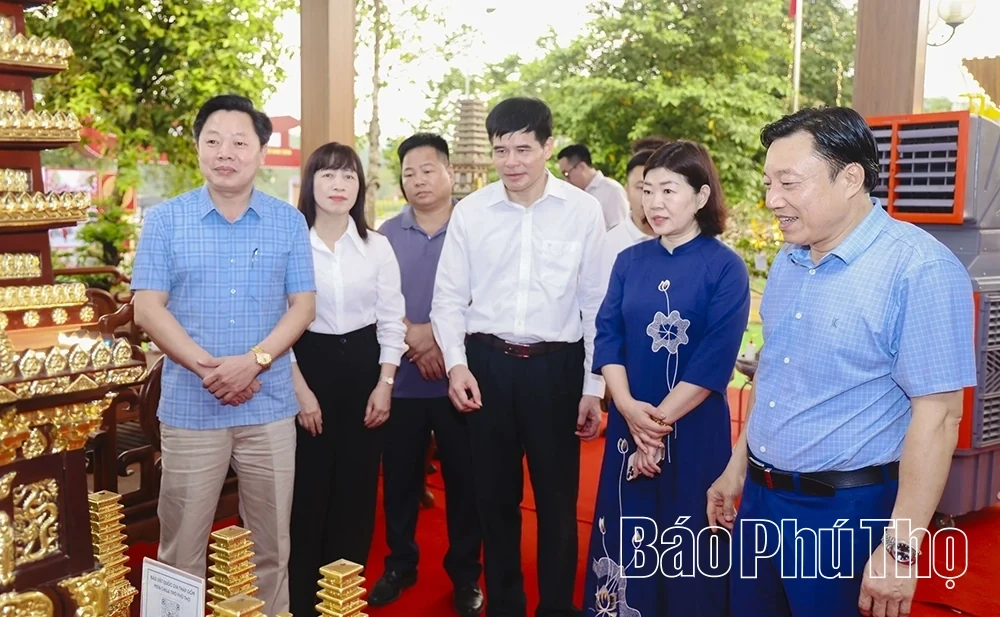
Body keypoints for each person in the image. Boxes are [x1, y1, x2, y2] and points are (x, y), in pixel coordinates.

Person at [706, 107, 977, 617]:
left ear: (851, 177)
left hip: (846, 514)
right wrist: (737, 467)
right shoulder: (789, 261)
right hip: (761, 504)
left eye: (789, 183)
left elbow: (940, 418)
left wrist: (901, 551)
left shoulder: (919, 268)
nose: (772, 200)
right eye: (768, 182)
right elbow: (775, 377)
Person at [131, 94, 316, 617]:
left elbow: (302, 308)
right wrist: (213, 370)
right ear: (197, 149)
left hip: (270, 403)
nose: (225, 152)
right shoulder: (166, 220)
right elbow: (148, 309)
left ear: (261, 151)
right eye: (213, 140)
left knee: (272, 544)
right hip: (192, 407)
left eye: (240, 141)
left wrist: (252, 362)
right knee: (181, 545)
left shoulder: (287, 222)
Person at [431, 96, 606, 617]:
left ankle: (556, 607)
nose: (512, 161)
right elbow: (447, 298)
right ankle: (505, 605)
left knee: (556, 505)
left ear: (548, 147)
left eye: (524, 149)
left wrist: (592, 387)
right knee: (495, 501)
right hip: (486, 367)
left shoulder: (583, 211)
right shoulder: (472, 211)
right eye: (501, 149)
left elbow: (595, 303)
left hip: (557, 368)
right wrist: (456, 363)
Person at [584, 140, 750, 617]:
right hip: (627, 424)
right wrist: (629, 410)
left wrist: (653, 426)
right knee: (627, 534)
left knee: (689, 542)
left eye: (669, 191)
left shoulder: (725, 267)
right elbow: (608, 337)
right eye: (647, 190)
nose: (653, 203)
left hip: (695, 430)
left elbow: (712, 361)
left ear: (701, 197)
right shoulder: (629, 261)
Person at [285, 142, 407, 617]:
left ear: (360, 186)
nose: (339, 186)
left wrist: (386, 382)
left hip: (364, 366)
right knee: (307, 492)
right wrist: (299, 390)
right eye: (329, 176)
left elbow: (393, 319)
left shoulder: (377, 245)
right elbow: (278, 320)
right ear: (310, 183)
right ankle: (300, 603)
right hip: (304, 364)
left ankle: (342, 602)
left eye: (349, 177)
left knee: (356, 491)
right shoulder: (292, 241)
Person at [371, 133, 484, 616]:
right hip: (403, 382)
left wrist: (438, 339)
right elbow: (371, 300)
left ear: (449, 173)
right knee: (399, 480)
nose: (418, 180)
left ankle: (465, 575)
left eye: (427, 170)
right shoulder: (384, 235)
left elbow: (488, 296)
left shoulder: (476, 228)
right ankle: (400, 564)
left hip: (460, 380)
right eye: (409, 172)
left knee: (465, 481)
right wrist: (416, 341)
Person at [600, 146, 659, 286]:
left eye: (664, 189)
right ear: (627, 190)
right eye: (641, 187)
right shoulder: (609, 245)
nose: (651, 196)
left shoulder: (685, 241)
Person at [557, 143, 629, 230]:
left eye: (566, 174)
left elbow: (620, 231)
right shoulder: (576, 194)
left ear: (581, 167)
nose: (566, 180)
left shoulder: (612, 190)